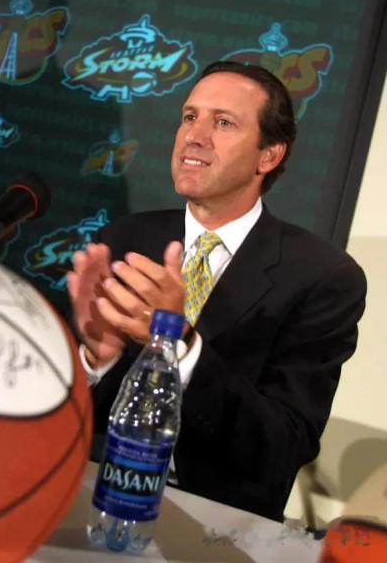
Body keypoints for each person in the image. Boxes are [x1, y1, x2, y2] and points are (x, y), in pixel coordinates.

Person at [66, 60, 367, 522]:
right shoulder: (125, 240)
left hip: (214, 524)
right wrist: (95, 359)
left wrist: (180, 342)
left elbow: (284, 445)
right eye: (190, 116)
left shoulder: (323, 276)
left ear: (269, 155)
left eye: (223, 122)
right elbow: (66, 413)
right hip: (95, 495)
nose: (194, 135)